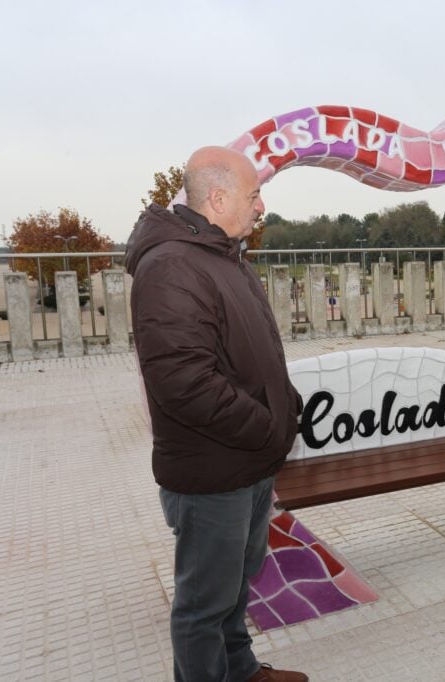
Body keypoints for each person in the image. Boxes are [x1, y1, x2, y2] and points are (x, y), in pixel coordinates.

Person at [126, 146, 308, 682]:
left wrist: (284, 407)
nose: (260, 206)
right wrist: (268, 428)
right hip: (212, 472)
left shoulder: (222, 256)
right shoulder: (171, 266)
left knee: (234, 588)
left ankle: (243, 671)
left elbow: (255, 352)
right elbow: (184, 382)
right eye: (254, 196)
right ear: (220, 197)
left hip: (246, 462)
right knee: (204, 606)